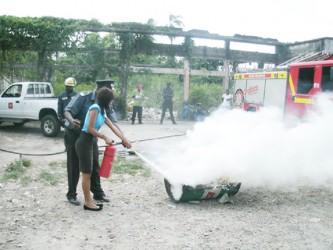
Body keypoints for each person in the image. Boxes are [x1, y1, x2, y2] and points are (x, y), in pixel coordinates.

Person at [64, 79, 128, 206]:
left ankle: (97, 193)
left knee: (94, 166)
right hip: (74, 133)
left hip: (90, 138)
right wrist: (72, 121)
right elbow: (67, 111)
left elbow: (113, 123)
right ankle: (72, 195)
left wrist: (124, 139)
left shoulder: (104, 106)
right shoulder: (85, 97)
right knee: (75, 166)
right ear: (101, 90)